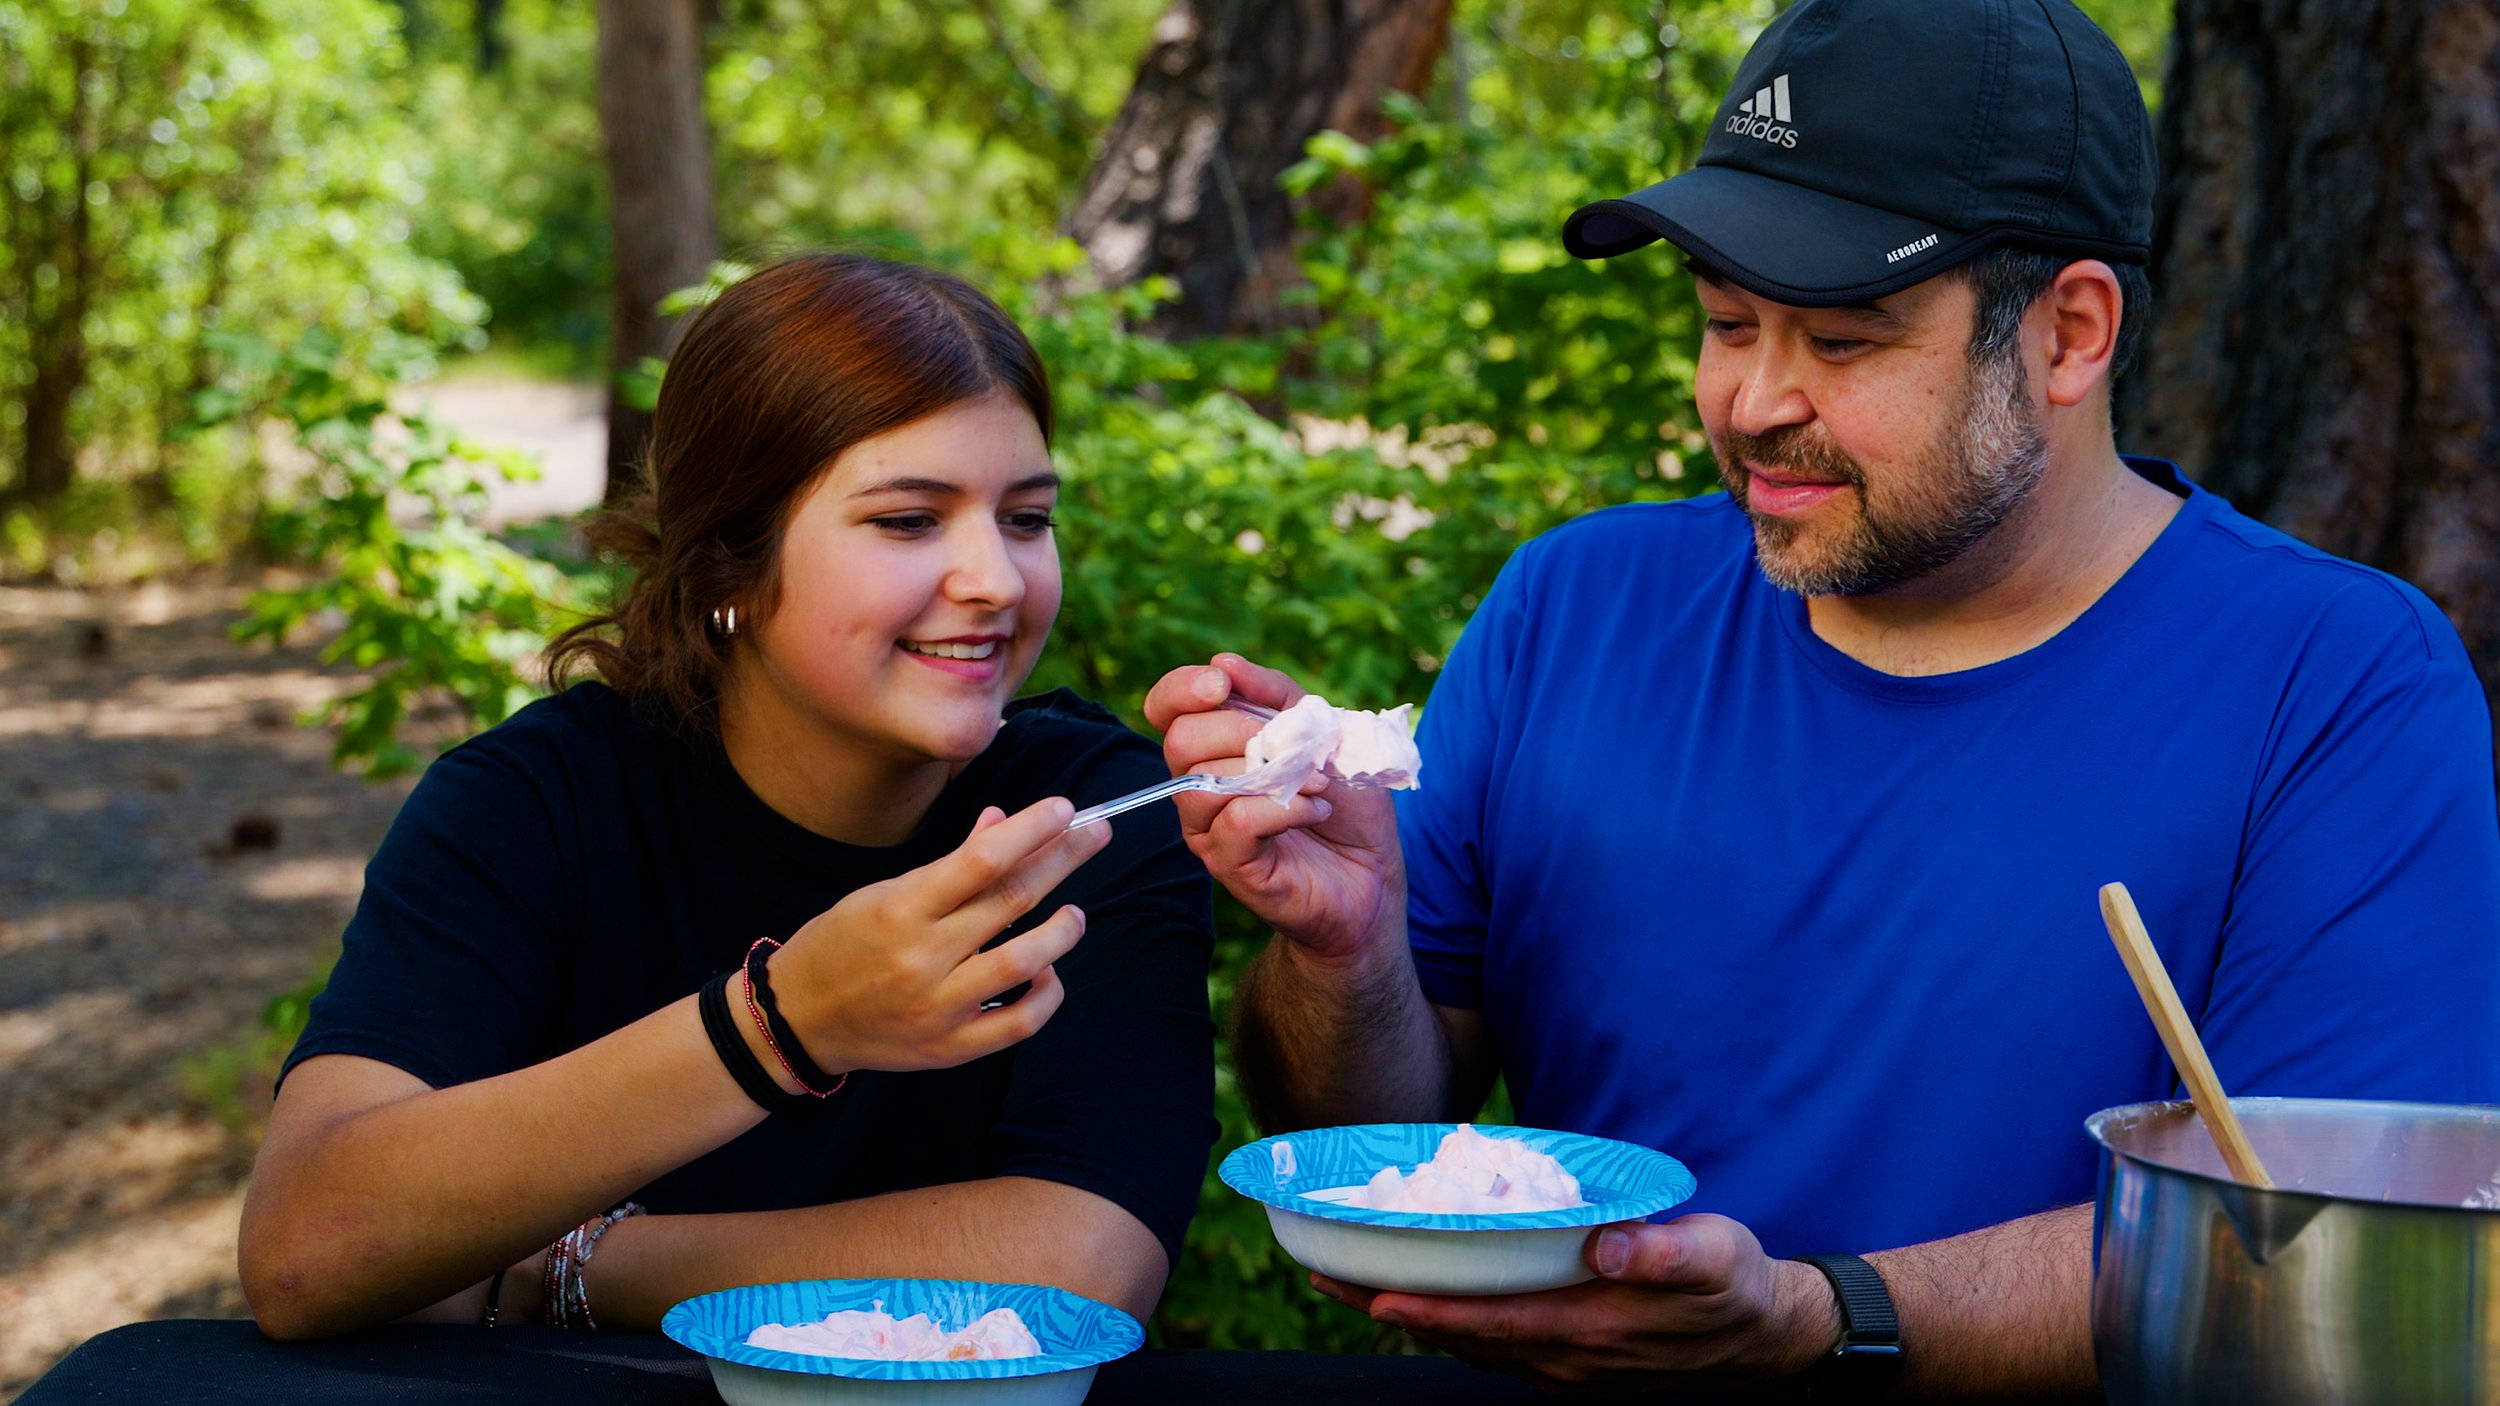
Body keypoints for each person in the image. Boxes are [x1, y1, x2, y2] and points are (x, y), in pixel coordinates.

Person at [1146, 0, 2500, 1398]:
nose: (1752, 401)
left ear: (2070, 333)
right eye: (1729, 323)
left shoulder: (2333, 682)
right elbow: (1371, 1124)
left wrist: (1815, 1315)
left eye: (1844, 342)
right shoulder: (1579, 607)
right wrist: (1346, 957)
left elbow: (2307, 1258)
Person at [240, 254, 1216, 1341]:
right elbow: (303, 1249)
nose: (994, 577)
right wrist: (783, 1023)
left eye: (1026, 518)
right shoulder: (535, 801)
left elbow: (1080, 1266)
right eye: (907, 520)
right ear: (725, 572)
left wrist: (569, 1263)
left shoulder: (1091, 812)